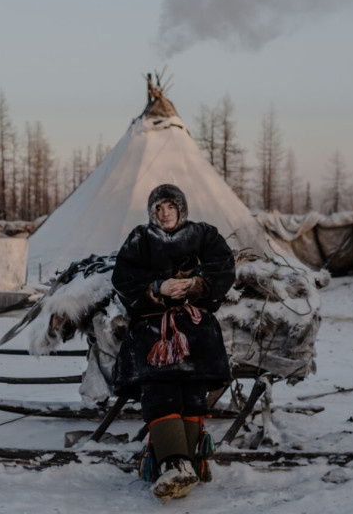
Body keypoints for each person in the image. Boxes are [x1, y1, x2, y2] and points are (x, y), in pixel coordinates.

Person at [111, 183, 236, 501]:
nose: (165, 214)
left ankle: (186, 465)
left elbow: (223, 267)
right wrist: (157, 288)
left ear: (182, 209)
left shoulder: (204, 234)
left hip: (195, 325)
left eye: (171, 207)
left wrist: (197, 284)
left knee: (192, 389)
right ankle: (174, 463)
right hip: (153, 328)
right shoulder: (140, 238)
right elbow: (123, 278)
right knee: (159, 387)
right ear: (151, 212)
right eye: (158, 208)